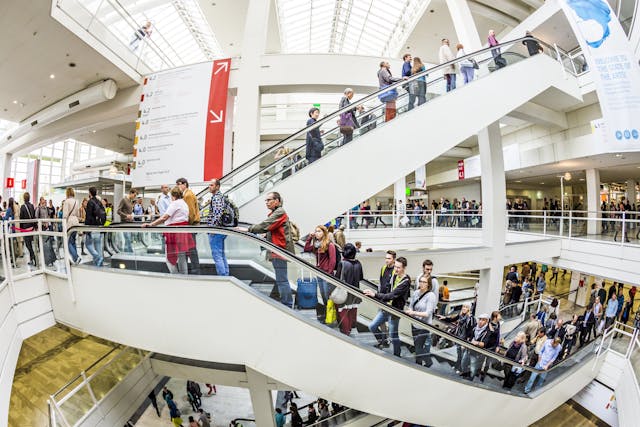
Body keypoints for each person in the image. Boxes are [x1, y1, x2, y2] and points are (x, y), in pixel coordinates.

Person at [245, 192, 296, 307]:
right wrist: (267, 234)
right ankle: (281, 299)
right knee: (281, 278)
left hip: (279, 251)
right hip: (276, 250)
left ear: (277, 201)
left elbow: (263, 226)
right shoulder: (276, 213)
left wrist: (247, 229)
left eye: (269, 200)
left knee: (282, 279)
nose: (266, 202)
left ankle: (287, 304)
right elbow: (272, 229)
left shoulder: (279, 212)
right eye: (266, 200)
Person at [364, 256, 411, 357]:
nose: (396, 269)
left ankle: (397, 355)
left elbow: (392, 295)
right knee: (372, 326)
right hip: (386, 308)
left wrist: (375, 294)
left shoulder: (406, 281)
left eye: (399, 267)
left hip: (395, 311)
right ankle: (384, 341)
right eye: (395, 267)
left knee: (393, 335)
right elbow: (387, 290)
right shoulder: (394, 275)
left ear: (404, 268)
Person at [142, 186, 195, 274]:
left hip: (174, 232)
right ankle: (184, 277)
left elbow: (164, 217)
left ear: (173, 195)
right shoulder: (184, 203)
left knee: (169, 258)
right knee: (182, 257)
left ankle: (175, 276)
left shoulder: (175, 203)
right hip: (183, 232)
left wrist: (151, 224)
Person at [405, 274, 437, 367]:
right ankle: (418, 364)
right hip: (414, 325)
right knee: (417, 346)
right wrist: (411, 311)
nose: (422, 283)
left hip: (424, 326)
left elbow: (427, 313)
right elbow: (410, 305)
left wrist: (413, 313)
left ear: (428, 284)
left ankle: (428, 363)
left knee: (419, 348)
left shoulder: (431, 296)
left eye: (424, 282)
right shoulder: (416, 293)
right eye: (420, 281)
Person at [304, 225, 337, 311]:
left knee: (327, 294)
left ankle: (332, 314)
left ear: (324, 232)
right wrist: (310, 238)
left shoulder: (329, 244)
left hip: (326, 274)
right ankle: (327, 313)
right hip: (319, 273)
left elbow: (333, 260)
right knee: (323, 294)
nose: (317, 233)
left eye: (319, 231)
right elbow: (306, 248)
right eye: (316, 231)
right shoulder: (316, 245)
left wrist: (329, 274)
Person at [438, 303, 475, 375]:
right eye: (463, 306)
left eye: (466, 307)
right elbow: (453, 319)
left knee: (462, 355)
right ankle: (457, 366)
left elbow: (471, 332)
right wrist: (444, 318)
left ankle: (460, 369)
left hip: (464, 340)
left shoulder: (470, 318)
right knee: (459, 354)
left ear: (469, 309)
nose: (464, 308)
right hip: (459, 337)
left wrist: (466, 343)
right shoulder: (461, 315)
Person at [335, 243, 363, 335]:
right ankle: (350, 330)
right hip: (356, 292)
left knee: (343, 313)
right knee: (351, 313)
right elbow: (360, 277)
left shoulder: (342, 263)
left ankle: (345, 333)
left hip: (344, 293)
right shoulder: (358, 263)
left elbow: (337, 278)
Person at [176, 178, 201, 274]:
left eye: (179, 184)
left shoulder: (188, 195)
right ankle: (191, 270)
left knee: (192, 250)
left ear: (185, 184)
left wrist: (186, 225)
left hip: (190, 226)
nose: (178, 186)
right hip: (190, 226)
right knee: (189, 249)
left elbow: (191, 213)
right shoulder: (187, 194)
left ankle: (196, 271)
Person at [207, 179, 229, 276]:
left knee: (217, 256)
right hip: (221, 230)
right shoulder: (221, 196)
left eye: (212, 185)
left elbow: (217, 213)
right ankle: (226, 275)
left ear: (217, 186)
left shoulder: (216, 197)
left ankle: (223, 277)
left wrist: (212, 229)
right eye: (209, 185)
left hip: (216, 230)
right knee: (221, 255)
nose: (209, 187)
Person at [84, 187, 106, 266]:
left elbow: (88, 216)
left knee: (88, 244)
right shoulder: (99, 202)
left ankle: (97, 257)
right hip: (98, 227)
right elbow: (104, 214)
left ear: (90, 193)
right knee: (98, 246)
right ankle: (98, 263)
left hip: (92, 227)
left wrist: (86, 229)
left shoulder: (90, 202)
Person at [63, 187, 82, 264]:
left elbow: (65, 215)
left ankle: (76, 257)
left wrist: (64, 223)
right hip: (76, 221)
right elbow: (77, 213)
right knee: (73, 241)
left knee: (68, 242)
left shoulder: (66, 201)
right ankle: (75, 259)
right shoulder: (76, 201)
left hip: (70, 222)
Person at [19, 192, 38, 267]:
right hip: (32, 227)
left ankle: (33, 257)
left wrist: (20, 228)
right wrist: (35, 226)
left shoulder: (23, 207)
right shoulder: (32, 205)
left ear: (24, 198)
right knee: (31, 244)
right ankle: (32, 259)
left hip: (26, 228)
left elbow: (21, 218)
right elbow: (33, 216)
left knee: (28, 244)